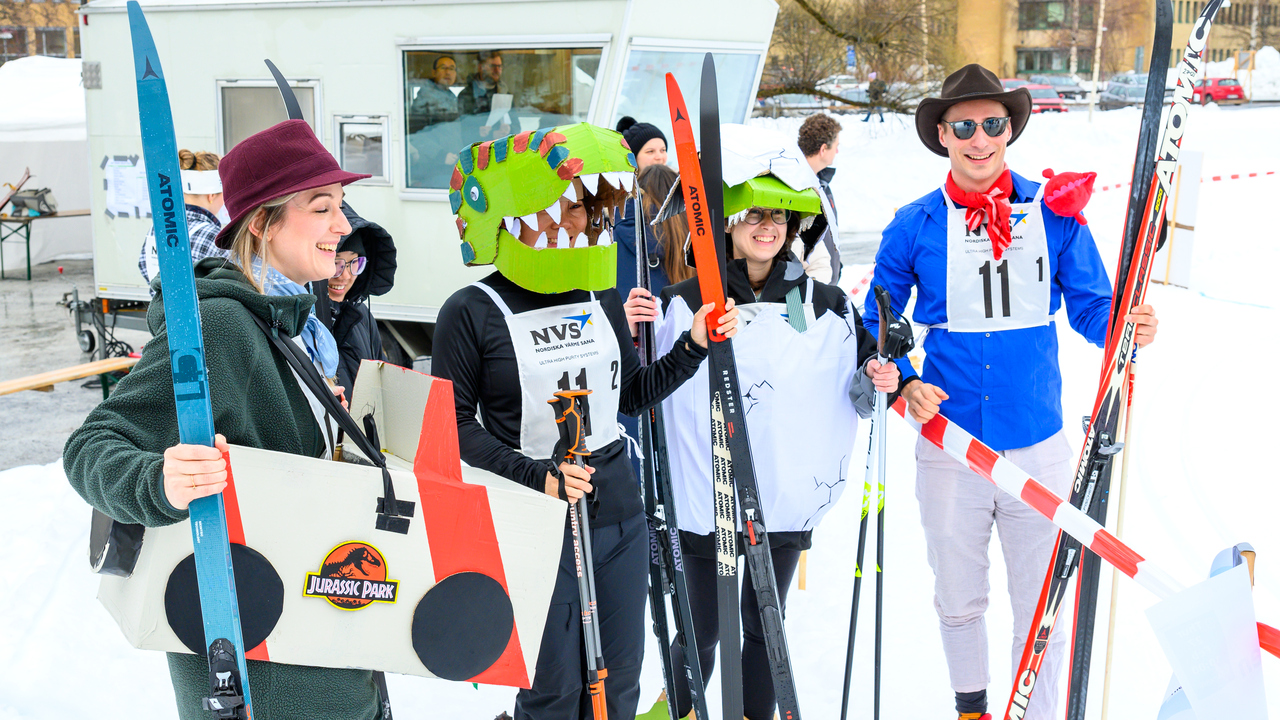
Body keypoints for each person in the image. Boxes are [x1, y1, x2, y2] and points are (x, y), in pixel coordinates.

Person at [861, 64, 1159, 720]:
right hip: (951, 446)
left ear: (1009, 130)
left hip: (1040, 446)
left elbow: (1091, 309)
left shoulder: (1052, 214)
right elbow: (876, 322)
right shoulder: (913, 225)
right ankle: (973, 711)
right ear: (942, 133)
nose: (978, 139)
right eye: (963, 125)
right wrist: (904, 381)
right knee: (960, 600)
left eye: (991, 124)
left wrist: (1125, 325)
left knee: (1043, 607)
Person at [64, 119, 380, 719]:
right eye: (322, 208)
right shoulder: (222, 325)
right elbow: (92, 446)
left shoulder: (284, 324)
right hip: (265, 678)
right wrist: (160, 481)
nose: (343, 226)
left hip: (321, 647)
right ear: (262, 223)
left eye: (340, 207)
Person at [431, 122, 739, 720]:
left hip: (617, 503)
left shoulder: (596, 295)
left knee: (618, 679)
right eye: (573, 210)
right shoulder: (470, 310)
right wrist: (535, 474)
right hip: (536, 511)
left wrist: (693, 345)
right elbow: (454, 427)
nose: (588, 225)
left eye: (593, 214)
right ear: (525, 218)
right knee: (555, 688)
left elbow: (632, 395)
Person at [628, 154, 898, 720]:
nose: (766, 224)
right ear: (726, 222)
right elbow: (641, 388)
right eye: (751, 212)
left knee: (763, 627)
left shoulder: (826, 304)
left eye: (778, 214)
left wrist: (885, 374)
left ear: (793, 226)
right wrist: (631, 330)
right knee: (701, 628)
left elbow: (863, 384)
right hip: (706, 499)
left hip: (781, 500)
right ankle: (681, 712)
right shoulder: (685, 300)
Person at [325, 202, 397, 391]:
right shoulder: (302, 323)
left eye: (355, 262)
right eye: (335, 263)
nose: (346, 275)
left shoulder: (361, 316)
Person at [138, 148, 230, 289]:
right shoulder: (216, 238)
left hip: (159, 309)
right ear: (211, 195)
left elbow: (143, 266)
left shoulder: (158, 227)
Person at [794, 114, 843, 285]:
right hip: (807, 289)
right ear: (823, 149)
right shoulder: (796, 188)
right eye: (836, 146)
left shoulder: (821, 185)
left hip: (825, 284)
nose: (837, 151)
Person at [408, 55, 460, 133]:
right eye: (443, 68)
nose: (448, 72)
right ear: (434, 72)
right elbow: (417, 129)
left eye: (451, 69)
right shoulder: (426, 95)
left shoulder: (451, 95)